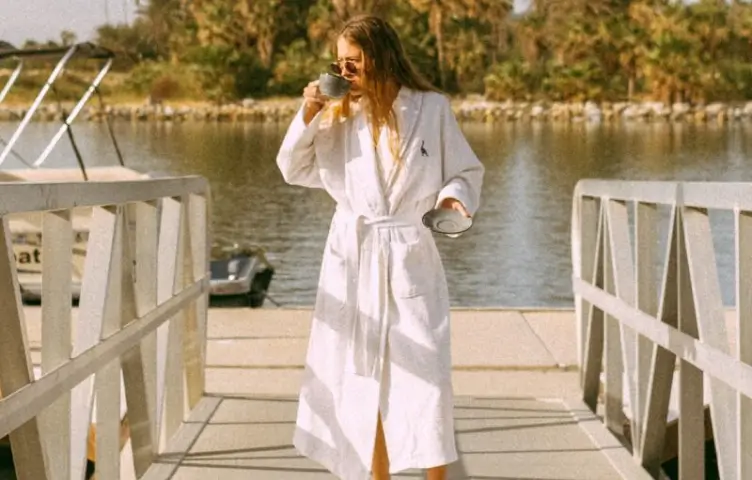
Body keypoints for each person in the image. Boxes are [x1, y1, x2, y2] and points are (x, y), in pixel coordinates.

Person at [276, 14, 484, 480]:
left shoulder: (432, 109)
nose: (344, 73)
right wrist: (307, 113)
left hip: (409, 252)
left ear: (380, 56)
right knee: (362, 379)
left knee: (425, 376)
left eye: (354, 62)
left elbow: (466, 170)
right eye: (339, 63)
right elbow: (292, 169)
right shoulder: (335, 114)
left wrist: (454, 197)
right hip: (353, 255)